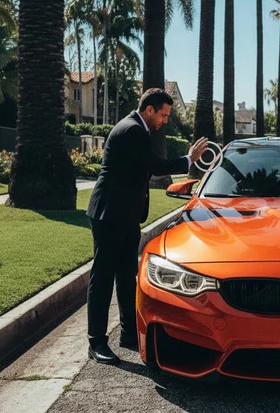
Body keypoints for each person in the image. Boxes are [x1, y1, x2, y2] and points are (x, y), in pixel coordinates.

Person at [85, 88, 208, 365]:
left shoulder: (140, 130)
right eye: (163, 114)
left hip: (126, 215)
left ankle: (129, 333)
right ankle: (96, 342)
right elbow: (155, 165)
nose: (165, 120)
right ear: (149, 110)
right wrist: (190, 159)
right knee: (102, 277)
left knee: (127, 275)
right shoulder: (132, 130)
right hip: (109, 214)